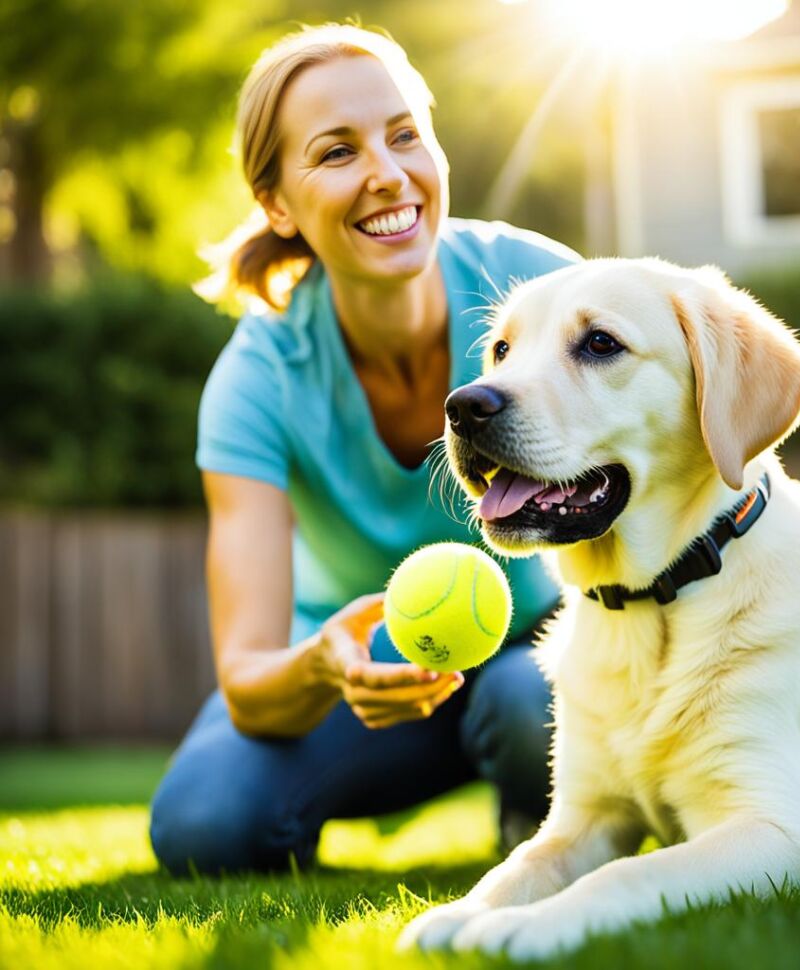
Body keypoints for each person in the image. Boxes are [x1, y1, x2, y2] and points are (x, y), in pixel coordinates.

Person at [149, 22, 580, 875]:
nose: (388, 173)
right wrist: (324, 667)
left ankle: (539, 812)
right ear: (277, 204)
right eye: (336, 152)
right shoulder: (257, 380)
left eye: (405, 134)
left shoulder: (543, 286)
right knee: (204, 824)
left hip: (547, 656)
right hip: (367, 681)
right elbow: (247, 677)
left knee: (536, 706)